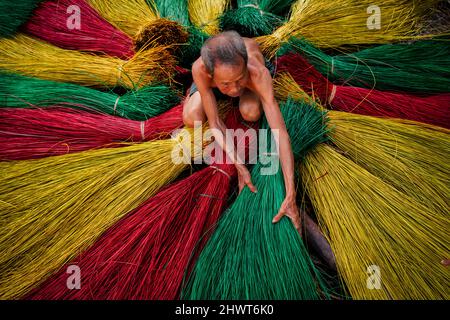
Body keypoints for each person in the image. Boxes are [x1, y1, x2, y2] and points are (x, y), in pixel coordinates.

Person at [182, 30, 301, 232]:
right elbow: (216, 124)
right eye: (227, 85)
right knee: (192, 118)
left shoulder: (257, 74)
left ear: (245, 66)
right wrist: (239, 165)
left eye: (239, 80)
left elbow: (280, 133)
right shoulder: (200, 69)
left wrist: (291, 193)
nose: (235, 90)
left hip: (249, 80)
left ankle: (231, 84)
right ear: (211, 74)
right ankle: (203, 92)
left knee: (251, 112)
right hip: (212, 84)